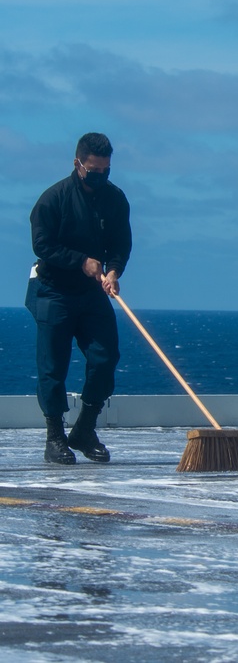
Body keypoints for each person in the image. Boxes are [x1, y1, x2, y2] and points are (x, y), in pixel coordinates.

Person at [26, 132, 132, 465]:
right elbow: (43, 246)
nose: (100, 176)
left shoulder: (115, 200)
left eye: (106, 171)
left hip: (91, 293)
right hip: (53, 289)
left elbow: (120, 244)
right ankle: (55, 436)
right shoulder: (53, 199)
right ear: (78, 164)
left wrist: (113, 270)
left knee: (105, 357)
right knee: (52, 365)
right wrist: (81, 261)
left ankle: (84, 429)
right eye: (93, 170)